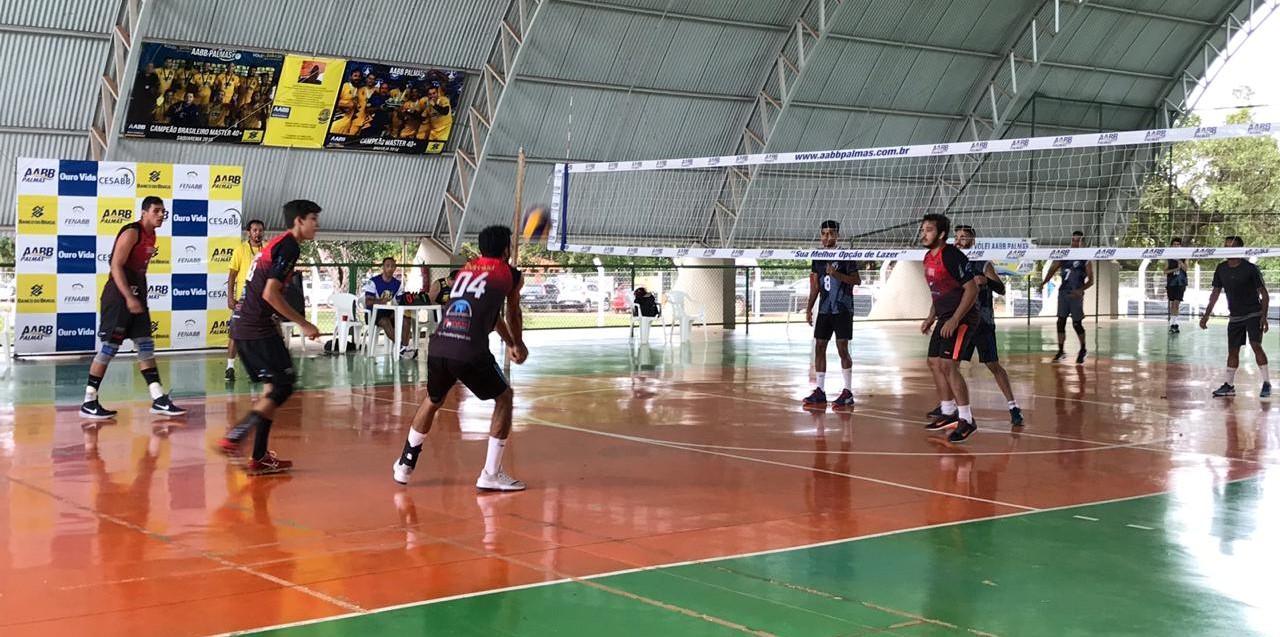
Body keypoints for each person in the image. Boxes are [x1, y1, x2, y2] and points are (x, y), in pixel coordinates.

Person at [393, 225, 529, 491]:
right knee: (504, 398)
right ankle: (490, 474)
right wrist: (519, 343)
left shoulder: (466, 270)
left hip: (440, 345)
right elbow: (512, 313)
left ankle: (405, 464)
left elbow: (493, 316)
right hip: (470, 350)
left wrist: (509, 341)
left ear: (480, 249)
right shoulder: (510, 275)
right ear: (507, 250)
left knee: (433, 399)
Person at [218, 200, 322, 475]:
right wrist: (305, 324)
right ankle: (236, 435)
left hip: (248, 325)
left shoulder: (277, 244)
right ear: (298, 221)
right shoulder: (289, 246)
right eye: (313, 218)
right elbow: (269, 293)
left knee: (270, 389)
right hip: (254, 327)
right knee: (283, 385)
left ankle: (259, 456)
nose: (317, 224)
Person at [80, 196, 186, 420]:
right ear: (144, 212)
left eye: (163, 211)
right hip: (118, 297)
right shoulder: (131, 231)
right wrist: (128, 296)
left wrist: (140, 296)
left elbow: (140, 271)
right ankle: (89, 401)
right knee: (109, 347)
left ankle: (158, 398)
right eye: (156, 211)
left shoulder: (152, 235)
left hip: (137, 296)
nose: (161, 215)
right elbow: (116, 265)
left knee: (145, 345)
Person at [943, 225, 1023, 427]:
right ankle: (950, 408)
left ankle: (1013, 407)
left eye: (965, 237)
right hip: (961, 323)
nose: (960, 240)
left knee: (993, 365)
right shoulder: (953, 263)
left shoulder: (983, 263)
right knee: (950, 365)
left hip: (983, 323)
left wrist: (985, 280)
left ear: (973, 241)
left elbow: (1001, 289)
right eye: (958, 237)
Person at [919, 213, 979, 443]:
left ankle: (967, 419)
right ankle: (947, 412)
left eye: (929, 230)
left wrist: (954, 319)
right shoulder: (927, 258)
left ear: (941, 234)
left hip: (962, 318)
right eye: (923, 229)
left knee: (949, 365)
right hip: (944, 316)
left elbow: (971, 290)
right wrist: (931, 317)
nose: (924, 234)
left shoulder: (952, 256)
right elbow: (938, 292)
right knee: (934, 362)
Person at [1201, 236, 1270, 398]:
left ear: (1238, 249)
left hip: (1254, 313)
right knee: (1232, 351)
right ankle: (1229, 386)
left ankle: (1267, 383)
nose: (1225, 250)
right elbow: (1215, 293)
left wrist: (1264, 316)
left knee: (1256, 345)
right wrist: (1206, 315)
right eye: (1224, 246)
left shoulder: (1251, 269)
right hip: (1235, 316)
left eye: (1229, 247)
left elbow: (1264, 294)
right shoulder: (1221, 268)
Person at [802, 220, 860, 408]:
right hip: (825, 309)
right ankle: (820, 391)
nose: (827, 237)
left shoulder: (846, 255)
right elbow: (816, 286)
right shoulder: (817, 257)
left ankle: (848, 391)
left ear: (837, 235)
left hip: (842, 308)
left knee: (842, 348)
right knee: (819, 346)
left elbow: (856, 280)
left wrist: (836, 274)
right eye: (824, 233)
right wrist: (810, 308)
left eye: (831, 233)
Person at [1038, 230, 1093, 364]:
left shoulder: (1085, 258)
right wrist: (1044, 283)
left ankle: (1083, 349)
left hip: (1075, 294)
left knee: (1076, 323)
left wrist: (1080, 290)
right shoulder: (1065, 255)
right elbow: (1052, 269)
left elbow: (1091, 280)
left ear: (1083, 242)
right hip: (1063, 293)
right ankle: (1061, 351)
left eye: (1078, 240)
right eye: (1073, 240)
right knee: (1060, 322)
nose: (1075, 242)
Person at [225, 218, 265, 382]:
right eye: (255, 230)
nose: (258, 233)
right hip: (243, 298)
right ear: (249, 232)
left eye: (260, 230)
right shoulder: (240, 249)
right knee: (235, 333)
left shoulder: (267, 249)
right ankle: (230, 367)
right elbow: (232, 275)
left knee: (262, 334)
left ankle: (258, 367)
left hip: (262, 298)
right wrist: (230, 297)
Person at [363, 257, 417, 359]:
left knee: (406, 319)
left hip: (388, 312)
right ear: (383, 268)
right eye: (387, 266)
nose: (390, 268)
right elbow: (368, 301)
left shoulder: (397, 284)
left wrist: (411, 300)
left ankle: (403, 348)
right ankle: (402, 347)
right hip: (372, 314)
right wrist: (380, 301)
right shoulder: (373, 282)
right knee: (385, 321)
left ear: (395, 268)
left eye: (392, 266)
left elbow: (401, 300)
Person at [1166, 237, 1188, 334]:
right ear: (1171, 246)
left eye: (1178, 244)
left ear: (1181, 246)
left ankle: (1174, 323)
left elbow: (1186, 268)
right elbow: (1165, 271)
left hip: (1181, 282)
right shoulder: (1168, 257)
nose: (1176, 246)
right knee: (1172, 304)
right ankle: (1173, 324)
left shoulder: (1185, 256)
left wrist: (1179, 261)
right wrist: (1175, 269)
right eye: (1174, 244)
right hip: (1171, 282)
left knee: (1176, 303)